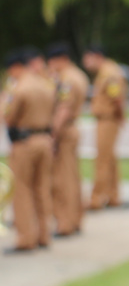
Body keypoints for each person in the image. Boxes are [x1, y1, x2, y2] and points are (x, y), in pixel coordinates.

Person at [2, 47, 56, 253]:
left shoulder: (18, 88)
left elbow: (8, 116)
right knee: (42, 188)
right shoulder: (45, 84)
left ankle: (26, 239)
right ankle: (44, 235)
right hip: (44, 140)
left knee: (21, 190)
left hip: (25, 143)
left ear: (15, 68)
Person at [47, 42, 90, 236]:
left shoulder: (67, 79)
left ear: (61, 59)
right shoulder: (78, 74)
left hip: (64, 131)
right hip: (72, 128)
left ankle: (65, 223)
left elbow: (63, 109)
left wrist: (52, 134)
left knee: (62, 180)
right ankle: (76, 219)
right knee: (72, 177)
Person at [82, 45, 126, 209]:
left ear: (97, 56)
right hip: (107, 119)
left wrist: (120, 116)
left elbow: (117, 98)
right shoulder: (107, 71)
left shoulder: (109, 73)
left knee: (102, 159)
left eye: (88, 58)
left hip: (108, 119)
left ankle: (96, 198)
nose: (85, 63)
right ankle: (114, 196)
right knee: (109, 158)